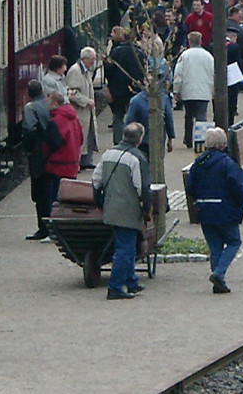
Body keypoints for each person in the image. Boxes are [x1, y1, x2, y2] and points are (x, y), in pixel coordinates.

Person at [92, 122, 152, 300]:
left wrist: (100, 203)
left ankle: (131, 280)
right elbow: (143, 188)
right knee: (124, 249)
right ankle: (115, 287)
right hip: (128, 209)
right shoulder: (137, 158)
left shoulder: (108, 154)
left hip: (111, 207)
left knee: (128, 245)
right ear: (140, 139)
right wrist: (146, 209)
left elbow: (96, 180)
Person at [185, 127, 243, 294]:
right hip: (225, 209)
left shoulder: (198, 163)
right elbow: (236, 186)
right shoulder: (227, 163)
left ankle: (219, 282)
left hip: (204, 209)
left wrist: (199, 198)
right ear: (223, 144)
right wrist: (239, 203)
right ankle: (219, 274)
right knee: (234, 241)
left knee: (215, 247)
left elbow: (190, 186)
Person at [21, 80, 53, 240]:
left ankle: (43, 228)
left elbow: (29, 130)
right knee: (50, 191)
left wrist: (28, 148)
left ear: (29, 92)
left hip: (38, 154)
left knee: (40, 194)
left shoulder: (30, 108)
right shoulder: (48, 104)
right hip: (52, 153)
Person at [172, 31, 214, 149]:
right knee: (202, 116)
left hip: (188, 90)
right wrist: (213, 89)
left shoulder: (184, 56)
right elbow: (213, 73)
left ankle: (188, 139)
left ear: (189, 41)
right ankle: (200, 142)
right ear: (200, 41)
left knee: (188, 115)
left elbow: (178, 74)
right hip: (204, 90)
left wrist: (176, 90)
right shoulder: (208, 56)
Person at [106, 26, 144, 143]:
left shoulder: (116, 52)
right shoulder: (139, 53)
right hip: (134, 89)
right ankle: (133, 139)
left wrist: (109, 87)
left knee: (118, 116)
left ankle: (118, 142)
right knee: (133, 116)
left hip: (117, 89)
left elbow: (109, 70)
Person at [66, 48, 99, 170]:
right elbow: (72, 92)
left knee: (88, 135)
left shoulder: (85, 70)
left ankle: (85, 161)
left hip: (86, 111)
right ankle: (77, 162)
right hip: (79, 111)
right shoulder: (75, 71)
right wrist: (86, 101)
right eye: (92, 59)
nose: (93, 62)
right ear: (84, 59)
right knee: (80, 137)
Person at [124, 82, 175, 160]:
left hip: (153, 140)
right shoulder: (136, 101)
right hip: (143, 141)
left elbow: (168, 119)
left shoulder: (136, 101)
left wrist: (170, 138)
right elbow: (168, 119)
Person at [225, 29, 243, 120]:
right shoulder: (234, 47)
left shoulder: (214, 45)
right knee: (232, 96)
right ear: (231, 37)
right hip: (232, 75)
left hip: (218, 75)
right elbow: (238, 61)